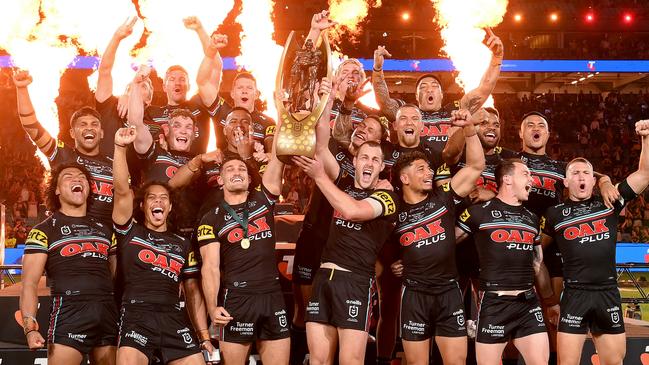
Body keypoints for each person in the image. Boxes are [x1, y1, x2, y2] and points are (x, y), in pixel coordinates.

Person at [540, 120, 649, 365]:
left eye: (586, 173)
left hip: (607, 293)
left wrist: (646, 138)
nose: (581, 176)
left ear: (593, 180)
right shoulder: (554, 214)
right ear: (566, 182)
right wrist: (548, 296)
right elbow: (537, 249)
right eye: (575, 173)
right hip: (574, 295)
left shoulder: (609, 201)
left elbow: (644, 174)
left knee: (614, 362)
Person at [293, 116, 399, 365]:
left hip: (355, 282)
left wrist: (320, 178)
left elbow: (353, 211)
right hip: (323, 279)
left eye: (375, 160)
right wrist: (327, 98)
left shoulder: (387, 197)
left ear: (382, 167)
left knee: (350, 361)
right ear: (354, 161)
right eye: (364, 157)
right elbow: (321, 145)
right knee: (319, 360)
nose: (369, 163)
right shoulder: (343, 184)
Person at [389, 108, 485, 365]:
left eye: (429, 169)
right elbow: (377, 246)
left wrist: (470, 130)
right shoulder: (393, 212)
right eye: (421, 169)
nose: (429, 173)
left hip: (449, 293)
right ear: (404, 177)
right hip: (414, 296)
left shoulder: (445, 198)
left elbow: (476, 166)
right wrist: (390, 262)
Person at [111, 127, 208, 365]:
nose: (158, 201)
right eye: (152, 198)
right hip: (136, 315)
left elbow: (193, 290)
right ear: (142, 206)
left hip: (174, 316)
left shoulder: (183, 244)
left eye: (164, 198)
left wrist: (203, 335)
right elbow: (122, 190)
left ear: (171, 207)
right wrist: (120, 148)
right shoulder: (129, 232)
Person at [197, 122, 290, 365]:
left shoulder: (264, 198)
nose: (237, 172)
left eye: (242, 169)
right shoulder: (211, 218)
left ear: (250, 180)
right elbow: (210, 268)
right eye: (230, 169)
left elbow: (278, 158)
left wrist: (282, 119)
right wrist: (212, 307)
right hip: (237, 298)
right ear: (220, 179)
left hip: (272, 295)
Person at [455, 158, 556, 365]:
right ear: (507, 179)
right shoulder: (478, 212)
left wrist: (551, 301)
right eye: (526, 174)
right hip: (494, 304)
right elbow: (445, 243)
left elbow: (538, 263)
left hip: (528, 304)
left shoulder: (531, 218)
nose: (532, 179)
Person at [20, 164, 117, 365]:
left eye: (82, 177)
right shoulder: (43, 231)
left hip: (107, 311)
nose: (77, 179)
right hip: (69, 311)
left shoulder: (106, 229)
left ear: (89, 188)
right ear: (56, 189)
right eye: (68, 177)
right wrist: (30, 329)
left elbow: (116, 274)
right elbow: (29, 284)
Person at [372, 28, 503, 156]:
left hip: (449, 173)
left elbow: (484, 89)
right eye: (423, 87)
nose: (429, 89)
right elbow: (384, 102)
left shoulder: (455, 111)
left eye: (434, 86)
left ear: (441, 95)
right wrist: (377, 70)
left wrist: (496, 59)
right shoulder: (408, 114)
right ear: (417, 96)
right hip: (412, 171)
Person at [14, 70, 114, 224]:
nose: (89, 128)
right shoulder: (62, 154)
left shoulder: (115, 163)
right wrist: (22, 89)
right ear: (72, 133)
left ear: (101, 133)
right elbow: (31, 126)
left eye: (94, 124)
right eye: (82, 124)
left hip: (107, 243)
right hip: (67, 238)